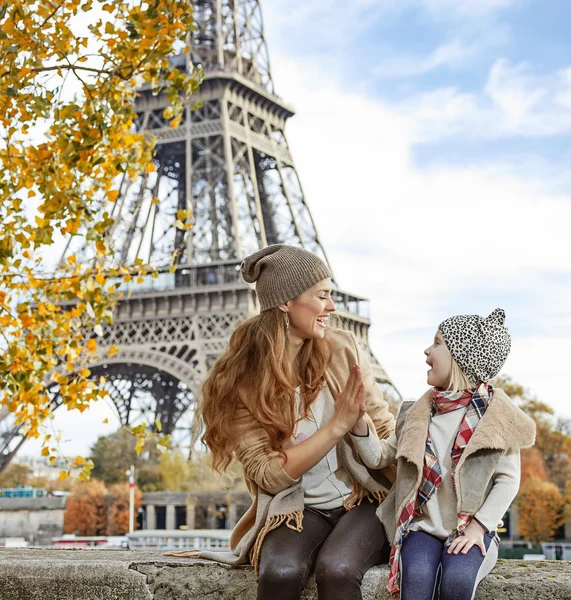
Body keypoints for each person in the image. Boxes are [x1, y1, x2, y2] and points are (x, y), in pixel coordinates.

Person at [167, 244, 395, 600]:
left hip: (363, 497)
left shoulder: (343, 349)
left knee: (337, 568)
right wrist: (336, 426)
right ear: (287, 301)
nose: (332, 307)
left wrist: (362, 427)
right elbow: (268, 474)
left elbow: (384, 432)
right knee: (280, 571)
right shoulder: (243, 379)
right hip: (297, 506)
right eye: (322, 296)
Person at [353, 308, 536, 600]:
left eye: (437, 343)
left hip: (470, 528)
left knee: (458, 581)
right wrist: (357, 421)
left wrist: (479, 528)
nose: (427, 349)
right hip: (423, 527)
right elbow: (379, 457)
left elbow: (508, 481)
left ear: (460, 358)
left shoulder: (497, 417)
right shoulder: (415, 414)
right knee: (417, 579)